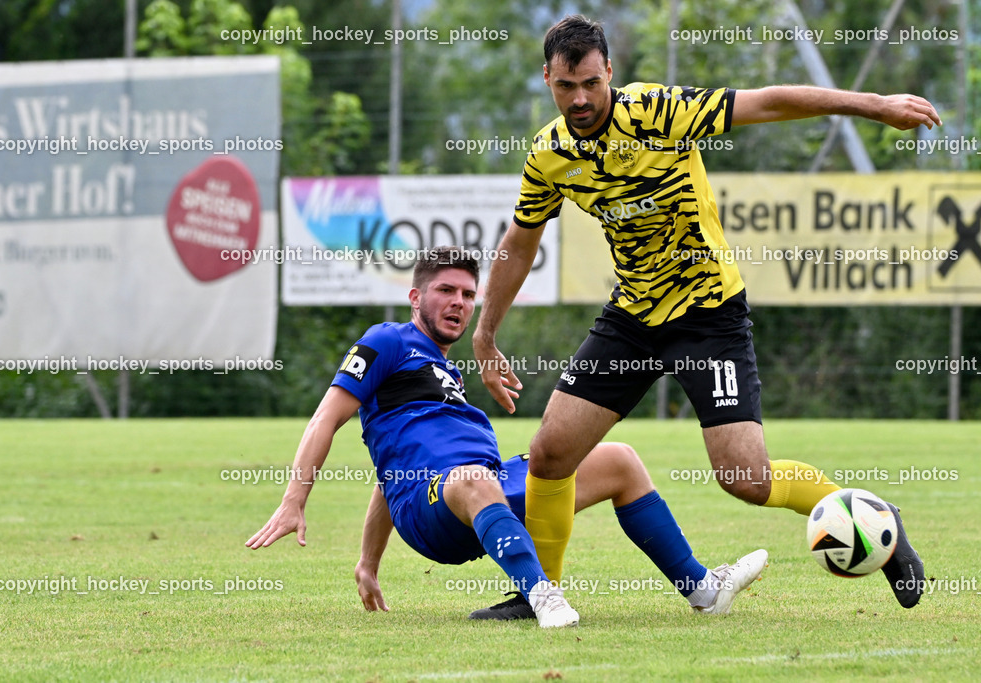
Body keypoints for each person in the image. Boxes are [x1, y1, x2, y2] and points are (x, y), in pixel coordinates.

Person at [472, 15, 931, 610]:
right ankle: (537, 591)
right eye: (566, 86)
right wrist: (485, 334)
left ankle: (878, 523)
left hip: (707, 314)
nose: (580, 98)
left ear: (610, 71)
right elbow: (521, 240)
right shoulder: (550, 154)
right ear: (547, 79)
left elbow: (767, 102)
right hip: (633, 317)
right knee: (552, 452)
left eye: (590, 82)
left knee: (746, 479)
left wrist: (875, 105)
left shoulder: (657, 112)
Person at [246, 246, 767, 626]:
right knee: (472, 476)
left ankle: (701, 589)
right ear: (415, 297)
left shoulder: (445, 373)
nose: (459, 302)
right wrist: (295, 500)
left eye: (468, 294)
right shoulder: (386, 341)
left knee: (620, 460)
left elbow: (387, 471)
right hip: (433, 511)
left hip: (479, 487)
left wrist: (367, 564)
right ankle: (542, 596)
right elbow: (325, 420)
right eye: (445, 290)